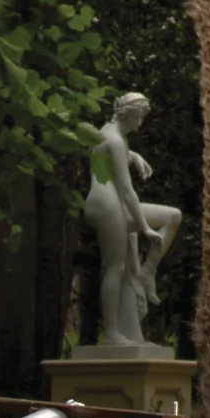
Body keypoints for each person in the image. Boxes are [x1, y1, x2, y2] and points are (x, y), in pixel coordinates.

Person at [82, 91, 184, 349]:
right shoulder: (115, 140)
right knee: (116, 267)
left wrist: (134, 156)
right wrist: (145, 227)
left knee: (173, 216)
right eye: (138, 118)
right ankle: (111, 334)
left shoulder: (107, 132)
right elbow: (127, 191)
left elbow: (109, 155)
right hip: (108, 204)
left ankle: (148, 273)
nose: (139, 125)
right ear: (127, 114)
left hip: (108, 202)